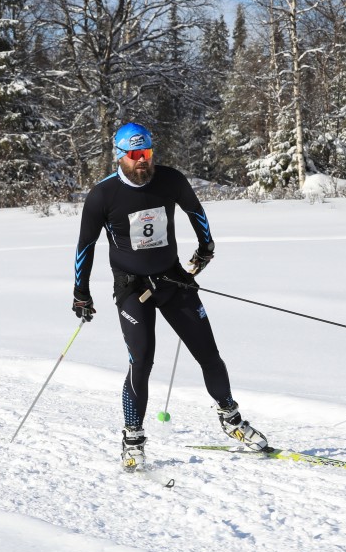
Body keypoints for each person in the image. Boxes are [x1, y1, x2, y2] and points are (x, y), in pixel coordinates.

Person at [72, 122, 266, 471]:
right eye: (134, 156)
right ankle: (132, 438)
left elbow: (196, 213)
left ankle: (231, 419)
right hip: (132, 289)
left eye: (146, 153)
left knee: (208, 353)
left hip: (173, 280)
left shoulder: (170, 180)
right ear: (120, 157)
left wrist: (206, 247)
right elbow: (84, 247)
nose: (143, 161)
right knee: (142, 361)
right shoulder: (103, 195)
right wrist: (80, 293)